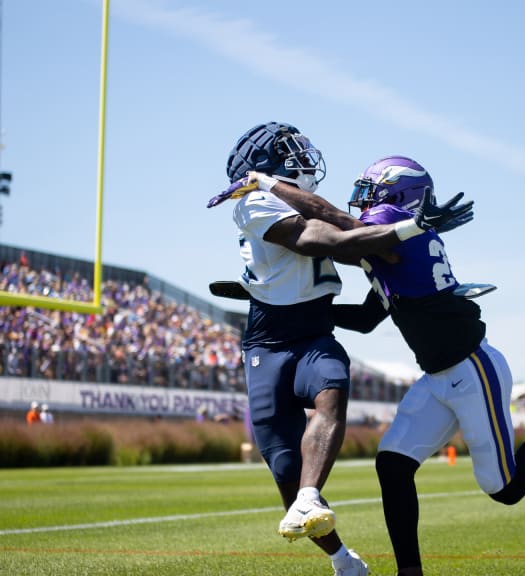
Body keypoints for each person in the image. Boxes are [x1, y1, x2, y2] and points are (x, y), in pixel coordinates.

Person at [250, 155, 525, 576]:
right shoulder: (392, 243)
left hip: (472, 369)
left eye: (373, 189)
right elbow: (370, 319)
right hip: (438, 375)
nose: (363, 199)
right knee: (392, 465)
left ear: (398, 194)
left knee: (506, 489)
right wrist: (292, 310)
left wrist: (268, 184)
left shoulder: (391, 227)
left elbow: (330, 220)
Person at [208, 125, 472, 576]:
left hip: (313, 329)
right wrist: (409, 228)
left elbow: (345, 227)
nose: (303, 156)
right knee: (285, 469)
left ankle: (312, 497)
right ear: (262, 165)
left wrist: (410, 228)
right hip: (267, 341)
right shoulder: (253, 202)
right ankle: (341, 558)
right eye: (288, 151)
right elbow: (326, 239)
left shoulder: (286, 195)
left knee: (332, 387)